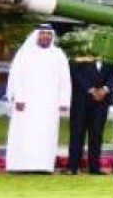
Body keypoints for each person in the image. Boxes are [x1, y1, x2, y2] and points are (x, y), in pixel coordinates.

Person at [5, 24, 71, 173]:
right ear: (36, 35)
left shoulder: (58, 54)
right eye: (42, 33)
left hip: (49, 104)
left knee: (46, 135)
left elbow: (65, 79)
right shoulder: (25, 53)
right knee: (24, 134)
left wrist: (64, 101)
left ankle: (43, 166)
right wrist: (18, 98)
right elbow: (16, 77)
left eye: (48, 34)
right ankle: (20, 165)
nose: (46, 36)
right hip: (26, 103)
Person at [67, 55, 113, 174]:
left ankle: (94, 167)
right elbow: (75, 72)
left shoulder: (110, 57)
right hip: (81, 100)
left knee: (96, 135)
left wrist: (105, 89)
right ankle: (72, 167)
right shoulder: (80, 55)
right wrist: (91, 89)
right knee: (77, 133)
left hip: (101, 102)